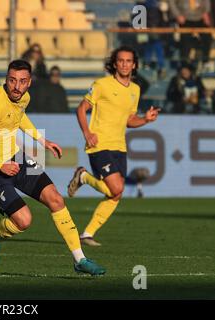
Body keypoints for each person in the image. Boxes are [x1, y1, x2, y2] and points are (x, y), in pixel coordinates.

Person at [0, 60, 106, 276]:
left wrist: (43, 141)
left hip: (15, 158)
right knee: (24, 220)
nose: (16, 86)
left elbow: (20, 118)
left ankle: (80, 259)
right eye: (12, 80)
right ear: (6, 79)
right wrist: (1, 164)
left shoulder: (24, 97)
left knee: (56, 199)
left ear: (29, 83)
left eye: (22, 81)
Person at [67, 46, 160, 247]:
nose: (125, 64)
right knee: (116, 187)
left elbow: (130, 120)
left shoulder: (135, 90)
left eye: (129, 61)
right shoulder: (101, 85)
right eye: (121, 60)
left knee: (116, 194)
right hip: (99, 145)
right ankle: (83, 175)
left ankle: (87, 233)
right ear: (115, 63)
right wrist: (87, 133)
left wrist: (145, 119)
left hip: (120, 147)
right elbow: (81, 108)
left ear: (134, 65)